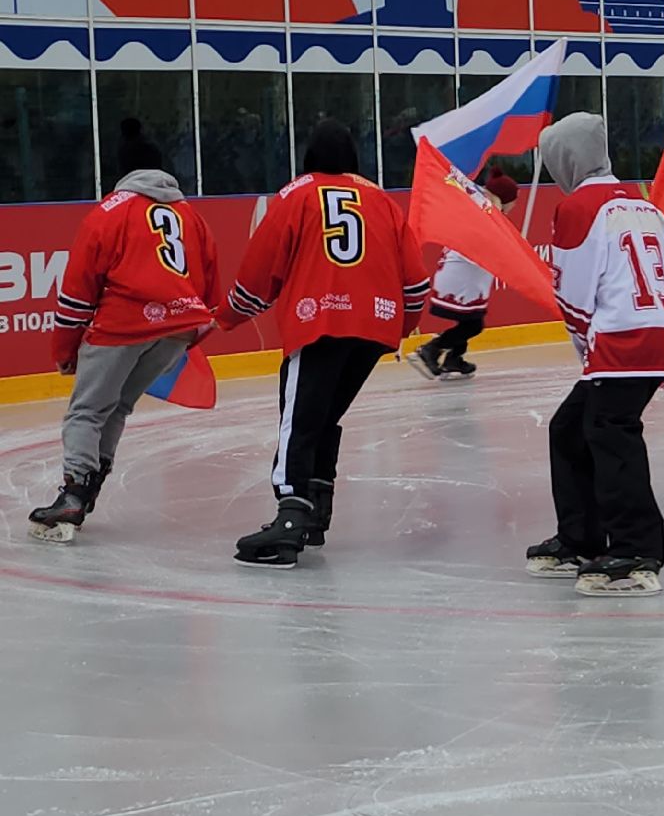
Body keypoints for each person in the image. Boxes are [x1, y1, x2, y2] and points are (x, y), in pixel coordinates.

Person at [214, 120, 430, 568]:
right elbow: (416, 283)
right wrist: (403, 326)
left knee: (300, 417)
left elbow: (260, 272)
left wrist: (227, 317)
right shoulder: (382, 200)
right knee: (323, 415)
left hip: (320, 321)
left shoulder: (296, 195)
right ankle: (317, 505)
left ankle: (292, 514)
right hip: (375, 326)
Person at [522, 113, 664, 598]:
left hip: (619, 340)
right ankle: (580, 538)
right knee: (571, 427)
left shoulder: (578, 208)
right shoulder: (643, 206)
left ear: (566, 160)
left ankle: (637, 549)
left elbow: (574, 298)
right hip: (653, 335)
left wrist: (587, 347)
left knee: (610, 433)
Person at [28, 147, 220, 543]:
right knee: (117, 407)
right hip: (179, 327)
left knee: (86, 411)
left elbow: (78, 291)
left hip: (124, 324)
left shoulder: (110, 212)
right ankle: (90, 484)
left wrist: (65, 351)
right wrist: (190, 330)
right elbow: (210, 288)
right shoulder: (191, 216)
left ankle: (75, 491)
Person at [409, 168, 521, 381]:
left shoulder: (486, 213)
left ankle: (454, 358)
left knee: (468, 320)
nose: (515, 206)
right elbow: (480, 249)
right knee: (472, 324)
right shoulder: (484, 217)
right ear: (504, 200)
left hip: (463, 277)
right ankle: (431, 349)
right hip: (459, 278)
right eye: (513, 201)